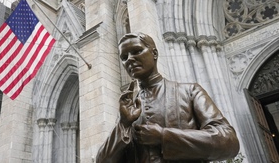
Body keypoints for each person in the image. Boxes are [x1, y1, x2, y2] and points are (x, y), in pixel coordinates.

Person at [96, 32, 239, 163]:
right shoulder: (129, 111)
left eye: (137, 51)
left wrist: (164, 136)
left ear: (154, 53)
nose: (130, 59)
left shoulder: (190, 91)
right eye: (124, 57)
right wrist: (123, 124)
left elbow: (228, 142)